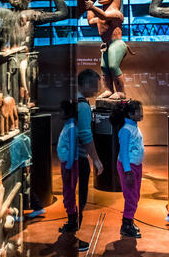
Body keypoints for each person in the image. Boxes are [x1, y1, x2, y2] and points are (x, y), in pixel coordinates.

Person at [58, 69, 104, 252]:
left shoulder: (75, 101)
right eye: (94, 85)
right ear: (85, 84)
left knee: (70, 192)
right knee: (79, 195)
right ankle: (73, 238)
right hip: (76, 158)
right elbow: (85, 134)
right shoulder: (83, 105)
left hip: (69, 157)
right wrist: (97, 160)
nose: (97, 89)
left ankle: (71, 224)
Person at [109, 100, 145, 238]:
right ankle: (126, 225)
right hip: (128, 168)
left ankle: (129, 221)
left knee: (135, 195)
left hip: (136, 166)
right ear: (130, 114)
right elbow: (123, 152)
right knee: (131, 196)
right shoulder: (125, 130)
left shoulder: (134, 126)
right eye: (138, 111)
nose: (141, 114)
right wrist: (128, 171)